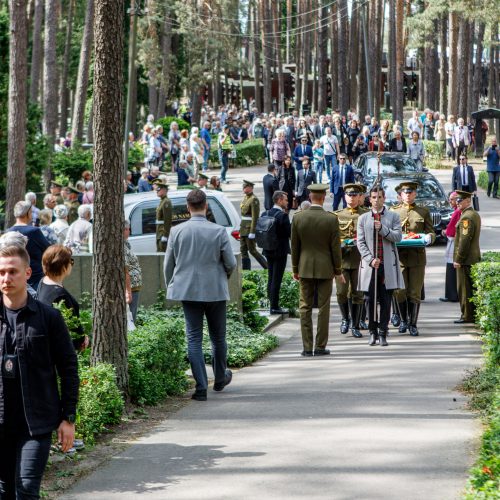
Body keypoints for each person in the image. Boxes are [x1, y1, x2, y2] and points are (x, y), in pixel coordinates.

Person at [0, 244, 79, 498]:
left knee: (26, 489)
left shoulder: (48, 318)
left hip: (36, 424)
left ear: (27, 273)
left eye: (13, 271)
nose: (6, 278)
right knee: (4, 491)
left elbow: (68, 367)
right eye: (1, 272)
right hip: (1, 422)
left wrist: (68, 418)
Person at [164, 189, 236, 401]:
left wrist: (174, 284)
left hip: (188, 291)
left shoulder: (176, 231)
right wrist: (223, 277)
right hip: (215, 289)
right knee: (218, 337)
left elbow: (168, 264)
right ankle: (220, 378)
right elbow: (231, 263)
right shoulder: (219, 231)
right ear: (206, 206)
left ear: (188, 207)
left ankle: (201, 387)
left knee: (194, 338)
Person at [291, 184, 344, 356]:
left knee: (305, 307)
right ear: (323, 198)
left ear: (309, 197)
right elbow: (335, 248)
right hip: (325, 268)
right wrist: (338, 270)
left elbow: (295, 247)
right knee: (324, 307)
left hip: (304, 267)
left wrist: (295, 268)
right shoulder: (331, 219)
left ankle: (307, 347)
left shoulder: (298, 218)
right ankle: (320, 346)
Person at [357, 186, 404, 346]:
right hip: (370, 266)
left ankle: (383, 332)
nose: (377, 200)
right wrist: (370, 259)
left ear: (384, 198)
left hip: (387, 266)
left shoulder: (393, 216)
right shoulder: (363, 218)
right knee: (369, 300)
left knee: (386, 300)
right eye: (374, 197)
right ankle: (372, 331)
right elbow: (360, 242)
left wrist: (382, 229)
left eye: (380, 197)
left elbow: (398, 237)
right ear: (369, 199)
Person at [390, 181, 435, 336]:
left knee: (414, 292)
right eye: (405, 192)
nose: (408, 195)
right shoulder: (393, 212)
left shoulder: (423, 211)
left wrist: (430, 237)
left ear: (415, 194)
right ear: (400, 195)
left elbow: (431, 231)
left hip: (417, 258)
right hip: (399, 258)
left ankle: (412, 323)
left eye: (411, 192)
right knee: (400, 291)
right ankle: (403, 320)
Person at [37, 245, 88, 350]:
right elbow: (72, 325)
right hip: (63, 350)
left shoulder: (44, 282)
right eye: (71, 262)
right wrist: (82, 339)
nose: (72, 264)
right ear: (63, 266)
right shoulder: (60, 295)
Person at [334, 183, 369, 338]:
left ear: (360, 197)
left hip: (360, 260)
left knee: (358, 294)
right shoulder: (337, 215)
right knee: (341, 293)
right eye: (349, 194)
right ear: (344, 196)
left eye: (355, 195)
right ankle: (344, 319)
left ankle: (355, 325)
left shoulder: (366, 215)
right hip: (342, 261)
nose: (352, 197)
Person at [452, 190, 481, 324]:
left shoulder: (466, 217)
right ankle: (470, 314)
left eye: (460, 200)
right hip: (471, 258)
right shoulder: (473, 214)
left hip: (466, 259)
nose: (457, 203)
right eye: (457, 200)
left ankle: (467, 315)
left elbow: (464, 241)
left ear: (468, 201)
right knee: (469, 287)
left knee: (464, 288)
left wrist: (458, 259)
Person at [8, 201, 50, 289]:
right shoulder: (34, 231)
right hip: (35, 279)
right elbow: (49, 249)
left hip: (15, 276)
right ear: (28, 213)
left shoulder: (8, 232)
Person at [262, 191, 291, 314]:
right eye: (285, 200)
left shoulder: (265, 213)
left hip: (268, 249)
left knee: (271, 277)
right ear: (279, 200)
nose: (287, 202)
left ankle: (271, 304)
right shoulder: (283, 216)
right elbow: (289, 233)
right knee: (277, 279)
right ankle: (274, 306)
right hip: (280, 251)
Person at [239, 180, 267, 270]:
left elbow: (255, 217)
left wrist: (252, 231)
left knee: (252, 250)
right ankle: (246, 270)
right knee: (243, 250)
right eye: (243, 187)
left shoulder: (254, 199)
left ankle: (267, 267)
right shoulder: (245, 198)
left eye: (245, 187)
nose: (243, 189)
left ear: (250, 188)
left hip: (249, 229)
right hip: (243, 228)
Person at [440, 192, 461, 303]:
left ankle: (452, 295)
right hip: (454, 242)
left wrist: (444, 232)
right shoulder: (457, 211)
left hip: (454, 242)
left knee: (451, 269)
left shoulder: (457, 212)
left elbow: (451, 230)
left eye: (452, 199)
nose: (450, 202)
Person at [123, 220, 143, 322]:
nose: (128, 231)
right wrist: (128, 292)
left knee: (132, 313)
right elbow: (125, 269)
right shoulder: (121, 246)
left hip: (133, 285)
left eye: (128, 229)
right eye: (126, 229)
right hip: (130, 286)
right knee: (131, 316)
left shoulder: (126, 244)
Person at [154, 180, 172, 252]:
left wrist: (165, 235)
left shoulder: (166, 202)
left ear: (164, 190)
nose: (156, 191)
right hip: (159, 233)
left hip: (162, 233)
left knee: (162, 256)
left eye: (158, 189)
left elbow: (167, 220)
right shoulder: (162, 201)